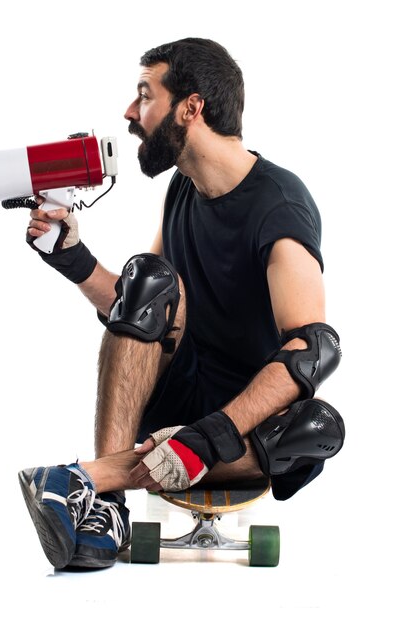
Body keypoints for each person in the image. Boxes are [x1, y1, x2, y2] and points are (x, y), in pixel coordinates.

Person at [18, 37, 345, 570]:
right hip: (177, 395)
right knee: (147, 276)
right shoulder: (183, 189)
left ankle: (91, 482)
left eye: (145, 95)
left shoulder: (279, 204)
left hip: (244, 432)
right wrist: (72, 258)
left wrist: (211, 435)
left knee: (320, 428)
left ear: (190, 108)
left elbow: (313, 350)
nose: (130, 112)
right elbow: (139, 309)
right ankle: (108, 510)